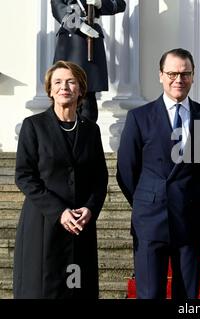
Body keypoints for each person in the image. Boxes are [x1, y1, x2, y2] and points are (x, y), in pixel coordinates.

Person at [116, 48, 200, 299]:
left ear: (193, 76)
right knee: (150, 294)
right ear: (161, 75)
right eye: (172, 73)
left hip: (190, 218)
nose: (179, 80)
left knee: (187, 295)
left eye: (185, 74)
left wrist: (188, 195)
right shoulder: (139, 117)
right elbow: (126, 170)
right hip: (150, 220)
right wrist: (149, 198)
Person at [14, 61, 108, 298]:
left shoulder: (91, 130)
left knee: (78, 291)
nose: (64, 86)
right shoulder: (33, 126)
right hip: (44, 224)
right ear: (50, 89)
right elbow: (24, 176)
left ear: (80, 89)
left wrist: (90, 208)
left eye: (70, 81)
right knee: (42, 290)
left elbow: (100, 178)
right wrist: (60, 211)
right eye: (58, 82)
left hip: (80, 226)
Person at [51, 0, 127, 122]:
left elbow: (120, 4)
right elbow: (57, 7)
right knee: (65, 92)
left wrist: (100, 3)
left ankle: (88, 136)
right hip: (71, 40)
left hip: (92, 38)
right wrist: (79, 25)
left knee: (88, 95)